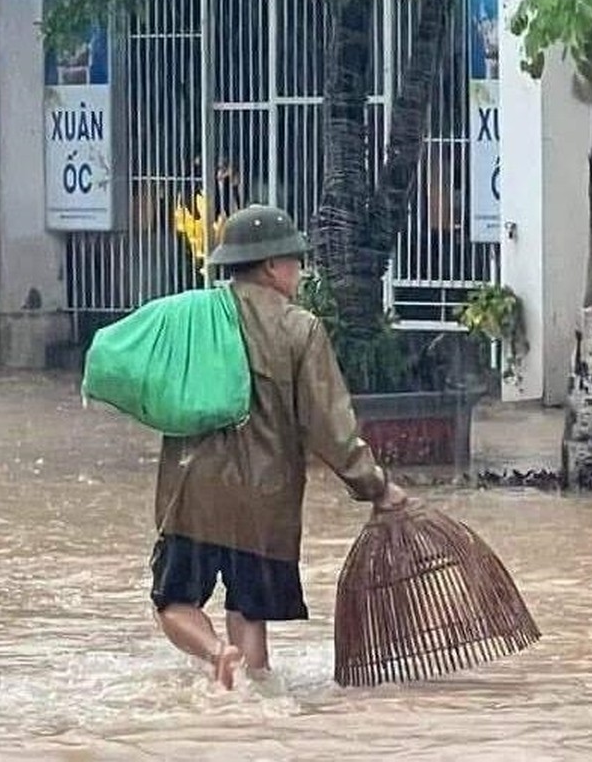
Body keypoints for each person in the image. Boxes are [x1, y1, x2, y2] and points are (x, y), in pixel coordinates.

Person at [150, 203, 410, 689]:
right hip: (264, 505)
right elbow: (328, 424)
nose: (300, 270)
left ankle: (214, 653)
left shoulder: (194, 316)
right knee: (250, 611)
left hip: (191, 494)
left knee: (175, 602)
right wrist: (375, 486)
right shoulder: (299, 327)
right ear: (271, 265)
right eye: (295, 260)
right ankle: (258, 706)